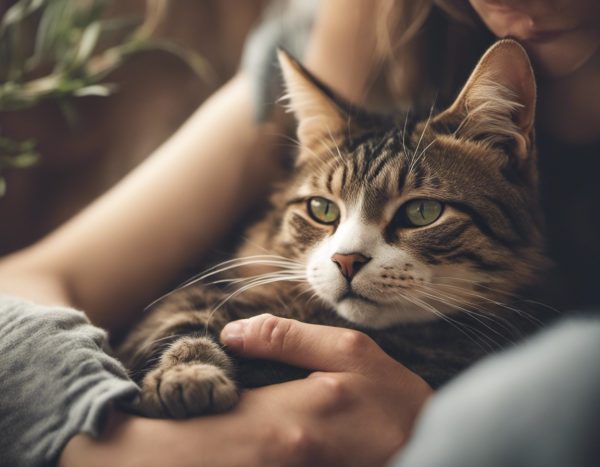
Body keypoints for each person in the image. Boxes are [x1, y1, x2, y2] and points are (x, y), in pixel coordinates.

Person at [0, 0, 599, 466]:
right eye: (322, 211)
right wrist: (106, 444)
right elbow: (23, 282)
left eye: (417, 214)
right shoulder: (348, 39)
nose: (347, 255)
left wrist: (439, 428)